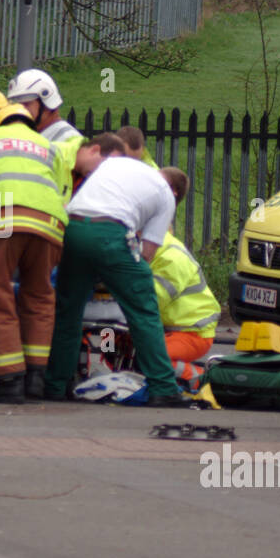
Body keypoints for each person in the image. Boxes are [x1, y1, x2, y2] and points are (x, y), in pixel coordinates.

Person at [44, 147, 186, 407]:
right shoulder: (165, 196)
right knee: (144, 311)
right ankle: (164, 386)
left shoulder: (115, 165)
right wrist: (115, 273)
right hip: (110, 233)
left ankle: (55, 384)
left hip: (73, 227)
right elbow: (147, 254)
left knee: (68, 311)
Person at [0, 102, 73, 403]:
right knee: (39, 297)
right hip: (49, 224)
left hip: (2, 222)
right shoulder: (49, 146)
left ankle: (9, 381)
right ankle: (35, 378)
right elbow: (64, 190)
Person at [149, 168, 219, 374]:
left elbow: (151, 301)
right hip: (170, 328)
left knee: (152, 358)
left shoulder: (170, 256)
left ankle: (200, 379)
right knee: (111, 338)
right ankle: (114, 372)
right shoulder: (156, 247)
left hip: (191, 332)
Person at [7, 68, 82, 145]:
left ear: (47, 102)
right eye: (15, 104)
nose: (19, 110)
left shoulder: (68, 140)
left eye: (26, 104)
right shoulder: (23, 136)